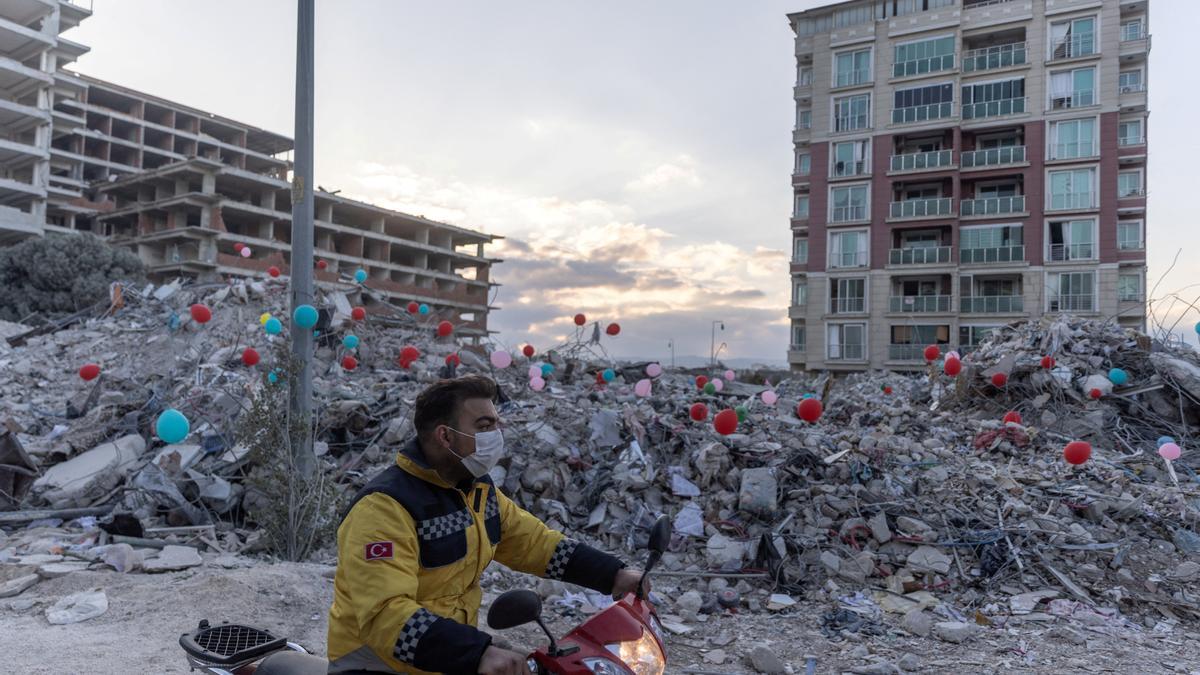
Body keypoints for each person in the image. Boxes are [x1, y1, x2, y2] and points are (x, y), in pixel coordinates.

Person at [327, 375, 645, 674]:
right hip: (378, 664)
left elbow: (537, 543)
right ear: (445, 436)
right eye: (485, 425)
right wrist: (478, 652)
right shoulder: (385, 508)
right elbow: (386, 618)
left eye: (496, 423)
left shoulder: (476, 491)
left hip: (445, 655)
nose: (497, 433)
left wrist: (612, 574)